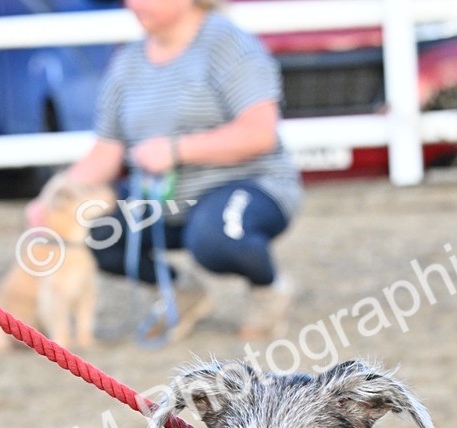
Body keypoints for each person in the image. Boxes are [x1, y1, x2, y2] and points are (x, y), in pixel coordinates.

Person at [26, 0, 302, 341]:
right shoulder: (127, 61)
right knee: (94, 227)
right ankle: (179, 291)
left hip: (245, 185)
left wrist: (177, 150)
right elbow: (106, 153)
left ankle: (269, 289)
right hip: (160, 198)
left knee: (216, 238)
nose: (133, 4)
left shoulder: (229, 44)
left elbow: (259, 133)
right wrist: (51, 199)